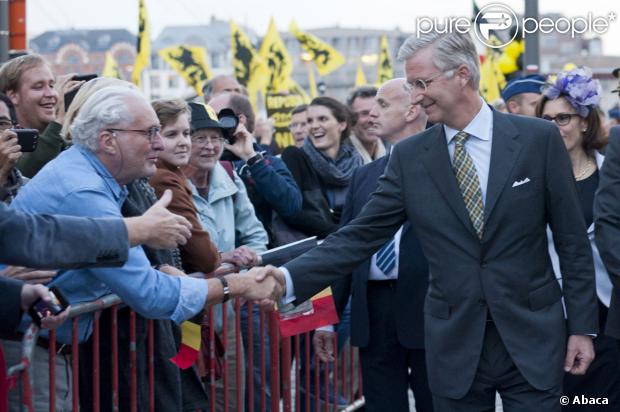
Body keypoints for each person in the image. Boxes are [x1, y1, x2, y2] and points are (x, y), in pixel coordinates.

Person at [256, 31, 598, 411]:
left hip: (533, 336)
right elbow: (359, 236)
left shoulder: (538, 139)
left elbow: (572, 242)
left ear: (462, 75)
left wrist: (582, 327)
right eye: (412, 85)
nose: (416, 96)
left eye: (422, 83)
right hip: (454, 344)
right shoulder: (410, 157)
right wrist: (285, 278)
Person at [5, 86, 282, 412]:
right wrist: (238, 284)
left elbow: (112, 265)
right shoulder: (84, 190)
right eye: (150, 132)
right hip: (35, 350)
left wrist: (154, 267)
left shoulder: (90, 176)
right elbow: (150, 295)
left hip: (52, 348)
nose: (160, 144)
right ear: (108, 140)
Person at [314, 78, 432, 412]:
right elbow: (344, 247)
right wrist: (326, 319)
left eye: (382, 105)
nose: (369, 115)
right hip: (374, 311)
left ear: (411, 110)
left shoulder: (446, 166)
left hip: (431, 308)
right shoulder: (365, 177)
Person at [537, 67, 620, 410]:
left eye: (563, 118)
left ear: (585, 122)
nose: (554, 128)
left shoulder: (610, 170)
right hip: (555, 310)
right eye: (546, 120)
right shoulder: (530, 180)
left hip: (608, 304)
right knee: (569, 400)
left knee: (604, 399)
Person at [183, 101, 269, 412]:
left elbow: (257, 236)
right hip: (186, 314)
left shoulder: (229, 175)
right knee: (191, 396)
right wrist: (221, 261)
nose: (209, 146)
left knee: (230, 396)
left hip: (227, 309)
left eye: (216, 138)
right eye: (200, 137)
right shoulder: (167, 182)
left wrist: (249, 258)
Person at [208, 92, 302, 247]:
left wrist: (252, 159)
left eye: (217, 118)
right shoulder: (205, 162)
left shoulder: (266, 161)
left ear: (239, 121)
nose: (211, 125)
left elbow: (291, 205)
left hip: (259, 256)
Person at [280, 96, 363, 239]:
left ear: (342, 125)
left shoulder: (357, 162)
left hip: (352, 247)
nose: (314, 126)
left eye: (322, 119)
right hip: (314, 250)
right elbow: (293, 213)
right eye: (310, 121)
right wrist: (339, 233)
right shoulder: (294, 157)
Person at [0, 54, 83, 177]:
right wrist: (58, 120)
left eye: (51, 86)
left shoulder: (62, 138)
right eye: (38, 87)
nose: (51, 94)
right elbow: (26, 172)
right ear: (13, 96)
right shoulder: (4, 141)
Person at [346, 86, 386, 163]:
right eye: (364, 113)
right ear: (350, 118)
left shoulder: (393, 148)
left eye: (376, 111)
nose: (371, 119)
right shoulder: (340, 156)